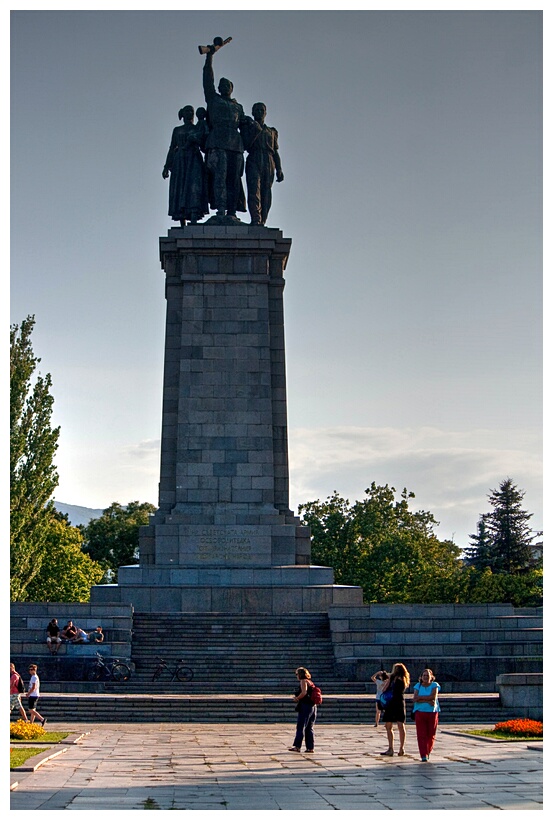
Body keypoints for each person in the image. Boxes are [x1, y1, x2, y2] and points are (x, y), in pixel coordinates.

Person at [202, 48, 247, 217]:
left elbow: (245, 125)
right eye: (221, 85)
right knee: (220, 177)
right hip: (217, 141)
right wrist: (209, 57)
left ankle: (232, 211)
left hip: (235, 144)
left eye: (227, 85)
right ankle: (221, 208)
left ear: (232, 88)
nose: (224, 87)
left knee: (234, 179)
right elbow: (207, 80)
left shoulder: (238, 107)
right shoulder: (213, 99)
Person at [162, 105, 209, 226]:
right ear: (182, 114)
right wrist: (166, 166)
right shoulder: (177, 130)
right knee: (180, 188)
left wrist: (196, 139)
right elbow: (172, 148)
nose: (190, 113)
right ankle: (182, 219)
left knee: (194, 187)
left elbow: (204, 146)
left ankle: (193, 216)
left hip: (194, 160)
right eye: (187, 111)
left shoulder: (198, 128)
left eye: (191, 111)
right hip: (180, 161)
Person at [243, 102, 283, 226]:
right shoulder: (249, 128)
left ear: (265, 113)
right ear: (253, 113)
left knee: (266, 192)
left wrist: (279, 169)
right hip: (254, 157)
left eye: (262, 110)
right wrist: (255, 130)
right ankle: (256, 219)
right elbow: (246, 144)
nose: (259, 112)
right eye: (257, 110)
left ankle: (263, 220)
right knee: (254, 190)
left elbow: (275, 151)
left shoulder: (272, 131)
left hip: (268, 160)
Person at [380, 662, 410, 757]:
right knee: (401, 725)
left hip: (391, 703)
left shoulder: (392, 678)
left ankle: (390, 748)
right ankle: (401, 748)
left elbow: (384, 689)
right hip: (400, 702)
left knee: (389, 726)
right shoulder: (404, 679)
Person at [412, 668, 441, 762]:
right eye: (424, 675)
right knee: (421, 734)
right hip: (420, 712)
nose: (425, 677)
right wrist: (427, 700)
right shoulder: (418, 686)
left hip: (432, 712)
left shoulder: (434, 685)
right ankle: (423, 754)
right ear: (421, 677)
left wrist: (421, 699)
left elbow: (433, 697)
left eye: (427, 675)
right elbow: (415, 698)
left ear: (431, 677)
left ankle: (428, 750)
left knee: (431, 734)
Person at [289, 667, 317, 753]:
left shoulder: (303, 681)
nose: (296, 676)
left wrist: (297, 698)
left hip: (305, 706)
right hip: (313, 706)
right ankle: (310, 747)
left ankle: (297, 746)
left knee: (301, 726)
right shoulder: (310, 682)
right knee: (309, 727)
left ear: (300, 674)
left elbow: (304, 692)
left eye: (297, 674)